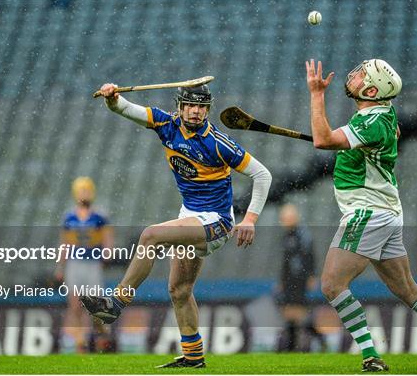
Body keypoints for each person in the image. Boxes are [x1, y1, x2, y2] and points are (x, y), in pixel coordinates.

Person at [305, 59, 417, 371]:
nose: (354, 75)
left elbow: (322, 140)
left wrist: (317, 94)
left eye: (361, 75)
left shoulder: (371, 122)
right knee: (408, 289)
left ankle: (371, 355)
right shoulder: (383, 113)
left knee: (332, 284)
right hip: (387, 213)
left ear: (372, 90)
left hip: (367, 213)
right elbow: (391, 131)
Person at [79, 82, 272, 368]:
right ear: (180, 106)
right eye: (190, 106)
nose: (196, 112)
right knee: (179, 290)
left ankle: (115, 303)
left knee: (150, 236)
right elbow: (124, 108)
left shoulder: (217, 142)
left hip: (216, 223)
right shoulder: (165, 124)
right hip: (190, 217)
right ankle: (193, 358)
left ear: (208, 110)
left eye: (202, 107)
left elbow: (263, 175)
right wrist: (112, 98)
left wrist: (251, 219)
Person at [55, 176, 114, 353]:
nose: (85, 194)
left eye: (87, 190)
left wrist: (107, 252)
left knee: (95, 305)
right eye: (82, 190)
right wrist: (60, 267)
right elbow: (64, 243)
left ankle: (100, 337)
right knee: (74, 305)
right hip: (74, 264)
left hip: (92, 264)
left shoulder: (99, 216)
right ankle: (80, 343)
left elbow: (108, 238)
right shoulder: (69, 217)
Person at [276, 203, 317, 352]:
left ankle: (314, 341)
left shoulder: (302, 234)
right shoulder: (287, 236)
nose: (283, 221)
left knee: (297, 313)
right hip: (289, 280)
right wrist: (282, 280)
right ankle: (292, 347)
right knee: (290, 313)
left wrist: (311, 275)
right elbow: (285, 261)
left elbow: (309, 256)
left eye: (285, 218)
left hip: (299, 279)